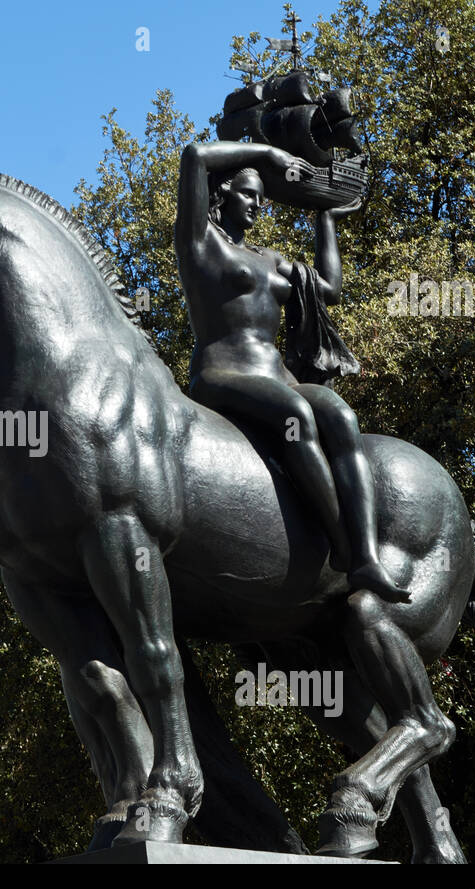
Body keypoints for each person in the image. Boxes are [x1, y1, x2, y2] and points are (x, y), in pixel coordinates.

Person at [175, 140, 411, 603]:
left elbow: (329, 288)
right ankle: (341, 548)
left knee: (341, 417)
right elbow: (194, 156)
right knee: (296, 415)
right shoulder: (199, 242)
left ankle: (365, 558)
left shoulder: (271, 259)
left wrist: (325, 217)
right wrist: (266, 155)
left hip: (276, 373)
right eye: (248, 194)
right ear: (220, 195)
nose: (258, 205)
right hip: (223, 373)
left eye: (262, 197)